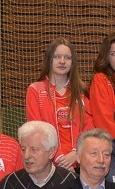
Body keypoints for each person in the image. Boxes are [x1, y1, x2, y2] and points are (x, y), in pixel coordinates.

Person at [25, 38, 88, 167]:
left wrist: (76, 153)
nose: (62, 61)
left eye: (67, 58)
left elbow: (89, 127)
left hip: (79, 159)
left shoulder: (82, 91)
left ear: (73, 62)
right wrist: (59, 158)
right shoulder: (36, 90)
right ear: (49, 59)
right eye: (57, 57)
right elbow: (36, 129)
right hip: (49, 162)